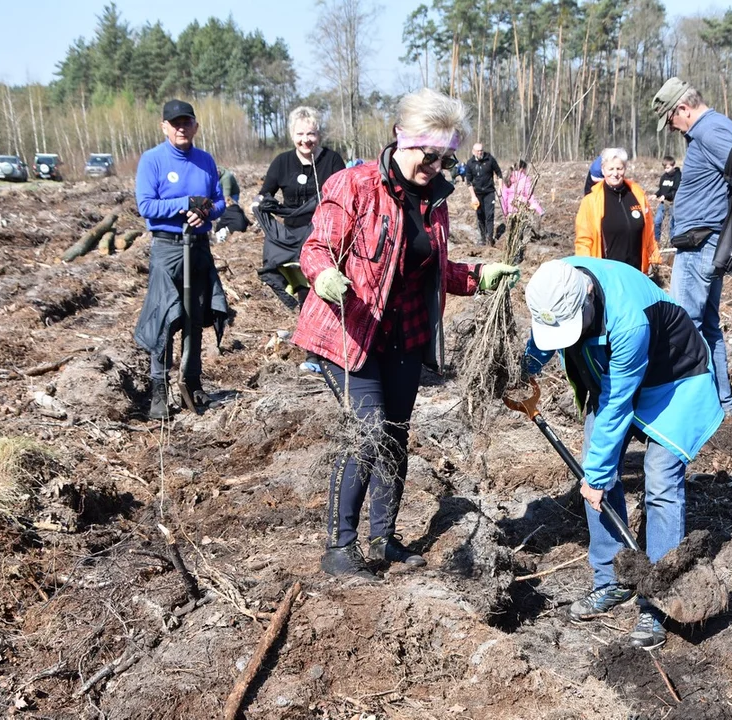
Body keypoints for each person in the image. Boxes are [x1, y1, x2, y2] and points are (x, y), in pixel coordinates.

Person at [293, 88, 520, 581]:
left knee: (395, 436)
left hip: (405, 335)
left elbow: (432, 269)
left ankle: (383, 537)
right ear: (401, 138)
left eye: (444, 157)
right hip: (349, 331)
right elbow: (315, 247)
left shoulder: (434, 201)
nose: (435, 165)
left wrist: (479, 276)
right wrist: (324, 275)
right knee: (368, 432)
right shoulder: (353, 184)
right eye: (427, 153)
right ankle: (340, 548)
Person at [521, 258, 724, 649]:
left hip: (673, 381)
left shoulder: (628, 319)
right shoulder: (554, 284)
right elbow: (543, 335)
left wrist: (596, 477)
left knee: (660, 479)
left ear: (589, 296)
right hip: (616, 379)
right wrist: (522, 369)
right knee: (596, 469)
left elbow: (617, 404)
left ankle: (658, 598)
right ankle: (612, 578)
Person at [652, 77, 732, 416]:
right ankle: (721, 403)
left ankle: (691, 408)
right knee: (706, 324)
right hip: (707, 242)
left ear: (683, 109)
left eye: (671, 120)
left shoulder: (709, 131)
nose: (673, 129)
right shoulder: (715, 128)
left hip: (703, 243)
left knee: (684, 324)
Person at [133, 99, 227, 420]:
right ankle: (158, 389)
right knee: (163, 316)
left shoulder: (205, 161)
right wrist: (185, 203)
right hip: (168, 247)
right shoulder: (152, 161)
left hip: (198, 246)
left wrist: (206, 213)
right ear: (164, 127)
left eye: (187, 122)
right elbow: (146, 206)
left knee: (196, 314)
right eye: (175, 123)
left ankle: (192, 381)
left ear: (195, 126)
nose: (181, 128)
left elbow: (219, 201)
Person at [253, 106, 346, 372]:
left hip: (326, 237)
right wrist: (259, 204)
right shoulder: (282, 162)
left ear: (320, 135)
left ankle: (334, 349)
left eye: (312, 134)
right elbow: (265, 193)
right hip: (293, 241)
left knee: (327, 292)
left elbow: (343, 192)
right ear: (292, 134)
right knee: (306, 295)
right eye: (300, 133)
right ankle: (313, 355)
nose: (306, 140)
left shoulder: (332, 160)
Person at [574, 147, 660, 274]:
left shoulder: (637, 194)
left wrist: (653, 258)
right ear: (603, 170)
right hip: (607, 275)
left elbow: (649, 231)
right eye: (611, 169)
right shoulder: (591, 201)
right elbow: (584, 240)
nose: (615, 173)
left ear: (625, 169)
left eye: (619, 168)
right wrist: (585, 271)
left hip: (637, 273)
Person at [464, 142, 504, 245]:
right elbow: (468, 181)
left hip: (489, 192)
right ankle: (482, 238)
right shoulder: (470, 163)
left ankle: (489, 237)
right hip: (477, 193)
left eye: (481, 150)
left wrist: (500, 188)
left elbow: (499, 173)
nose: (480, 152)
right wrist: (473, 197)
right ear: (473, 152)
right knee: (480, 215)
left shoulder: (490, 159)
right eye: (478, 151)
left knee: (489, 215)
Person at [652, 156, 681, 244]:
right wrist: (655, 195)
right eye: (664, 168)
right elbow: (661, 190)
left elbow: (676, 190)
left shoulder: (678, 176)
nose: (666, 170)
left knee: (672, 224)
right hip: (663, 203)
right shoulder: (664, 177)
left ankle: (673, 243)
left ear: (673, 166)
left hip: (673, 203)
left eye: (667, 168)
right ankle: (656, 242)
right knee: (657, 221)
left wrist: (666, 196)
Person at [214, 167, 248, 240]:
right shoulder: (217, 170)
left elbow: (227, 194)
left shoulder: (226, 178)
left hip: (232, 193)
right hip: (242, 226)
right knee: (234, 211)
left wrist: (216, 230)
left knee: (227, 213)